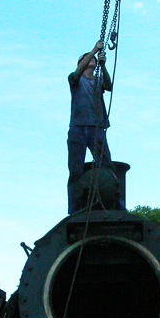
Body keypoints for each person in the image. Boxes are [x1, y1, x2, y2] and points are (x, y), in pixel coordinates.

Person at [67, 40, 112, 213]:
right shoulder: (74, 79)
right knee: (75, 170)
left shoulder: (98, 80)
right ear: (82, 63)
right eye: (87, 58)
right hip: (78, 128)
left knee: (107, 166)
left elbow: (108, 86)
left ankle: (110, 202)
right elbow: (77, 72)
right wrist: (94, 50)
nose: (91, 58)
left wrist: (103, 65)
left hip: (96, 128)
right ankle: (75, 208)